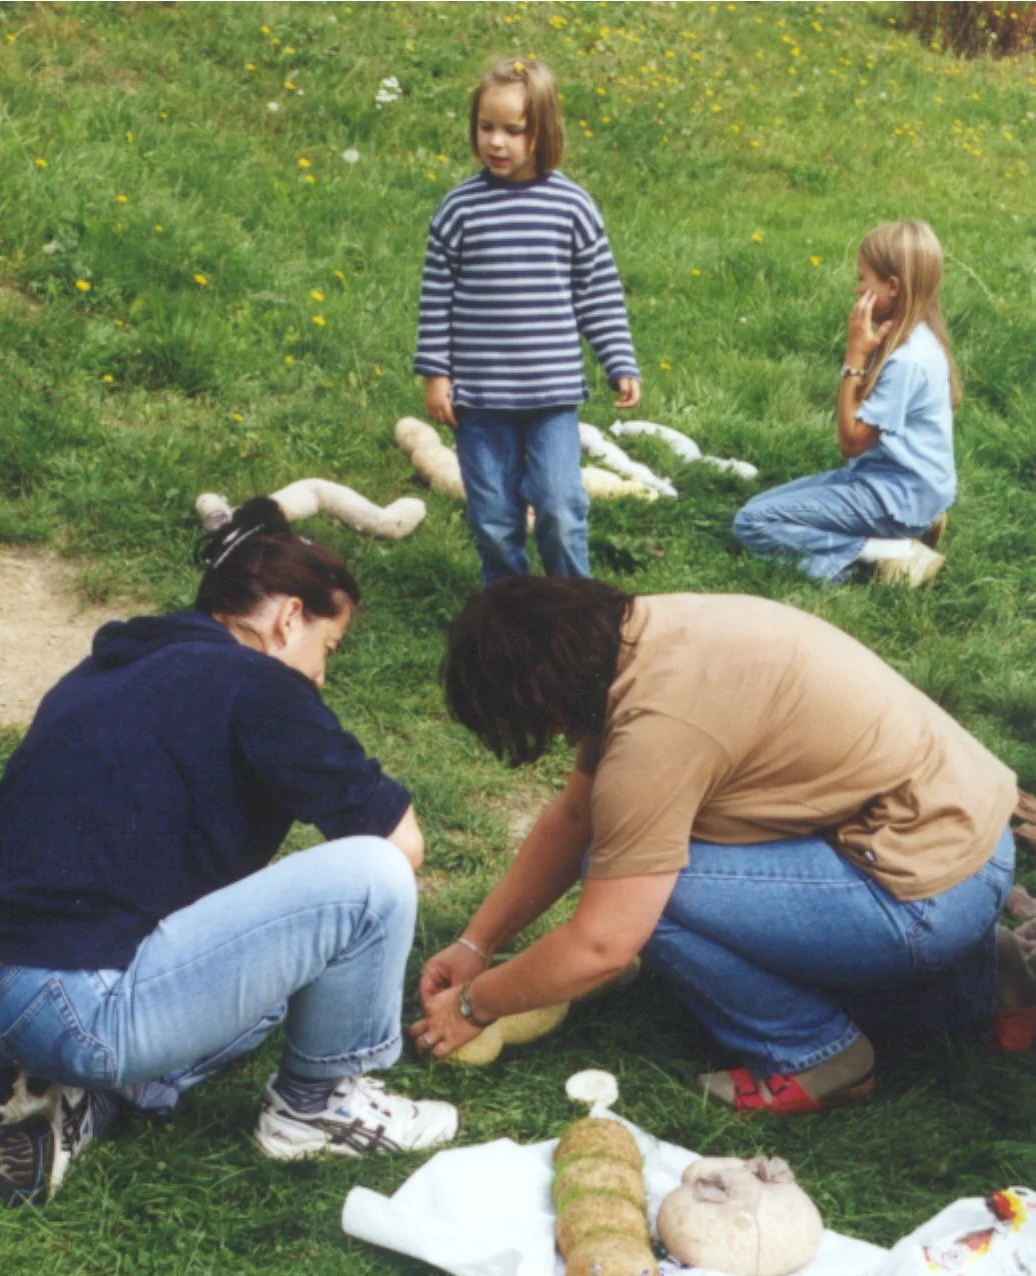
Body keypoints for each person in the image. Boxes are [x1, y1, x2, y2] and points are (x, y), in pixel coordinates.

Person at [0, 501, 457, 1205]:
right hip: (78, 1002)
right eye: (329, 648)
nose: (321, 674)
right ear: (288, 618)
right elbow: (402, 843)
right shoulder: (264, 687)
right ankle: (314, 1106)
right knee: (371, 878)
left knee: (272, 991)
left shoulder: (119, 659)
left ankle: (82, 1090)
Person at [410, 577, 1017, 1114]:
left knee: (644, 893)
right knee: (629, 854)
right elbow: (575, 815)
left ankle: (813, 1056)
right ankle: (981, 986)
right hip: (966, 842)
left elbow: (604, 943)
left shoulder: (658, 730)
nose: (553, 736)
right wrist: (476, 941)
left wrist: (472, 1007)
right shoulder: (641, 637)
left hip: (925, 896)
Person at [413, 55, 641, 586]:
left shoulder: (572, 207)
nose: (496, 142)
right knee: (493, 517)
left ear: (543, 131)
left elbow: (599, 294)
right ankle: (511, 610)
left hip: (550, 396)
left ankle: (573, 603)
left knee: (560, 508)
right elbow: (435, 298)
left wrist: (619, 361)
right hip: (480, 399)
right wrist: (436, 374)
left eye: (513, 131)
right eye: (485, 127)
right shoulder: (459, 210)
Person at [733, 219, 959, 589]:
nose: (856, 288)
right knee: (762, 505)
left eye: (862, 279)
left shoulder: (907, 361)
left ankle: (890, 554)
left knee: (752, 524)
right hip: (897, 484)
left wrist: (854, 357)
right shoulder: (919, 334)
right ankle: (919, 523)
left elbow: (850, 441)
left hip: (892, 495)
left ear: (892, 286)